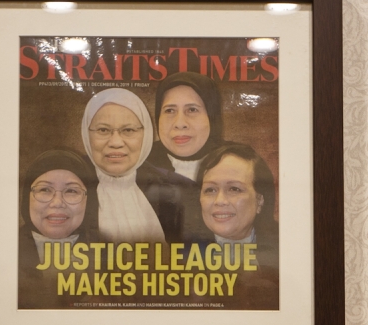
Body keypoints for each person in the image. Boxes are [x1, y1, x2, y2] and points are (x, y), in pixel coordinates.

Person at [139, 72, 246, 241]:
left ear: (212, 116)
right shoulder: (136, 165)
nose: (179, 123)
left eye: (192, 110)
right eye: (169, 110)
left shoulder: (241, 162)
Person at [81, 88, 171, 243]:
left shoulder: (170, 190)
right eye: (103, 130)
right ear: (86, 133)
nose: (115, 142)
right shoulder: (68, 186)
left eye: (128, 130)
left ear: (147, 134)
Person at [196, 144, 279, 308]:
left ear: (260, 200)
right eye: (210, 190)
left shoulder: (286, 250)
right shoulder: (174, 252)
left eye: (234, 189)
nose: (220, 200)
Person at [18, 149, 99, 309]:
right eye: (44, 190)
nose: (57, 203)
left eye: (71, 191)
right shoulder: (0, 252)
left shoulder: (110, 255)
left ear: (88, 202)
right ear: (27, 198)